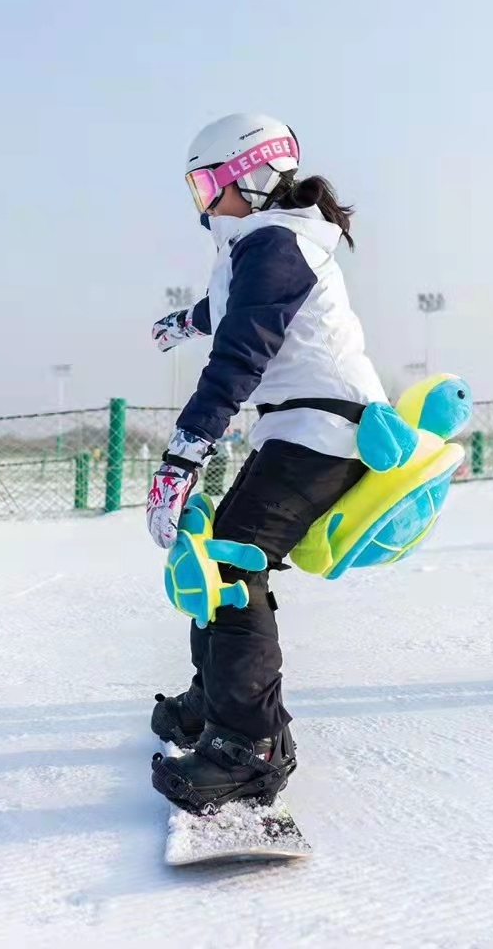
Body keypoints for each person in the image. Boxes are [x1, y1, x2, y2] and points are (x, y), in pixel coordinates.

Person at [145, 112, 389, 811]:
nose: (203, 206)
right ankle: (215, 698)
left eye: (208, 188)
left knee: (228, 564)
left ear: (249, 177)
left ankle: (250, 746)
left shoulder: (276, 241)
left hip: (322, 429)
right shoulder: (266, 242)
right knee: (214, 556)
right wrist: (189, 320)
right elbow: (239, 308)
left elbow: (243, 350)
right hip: (301, 427)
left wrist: (182, 454)